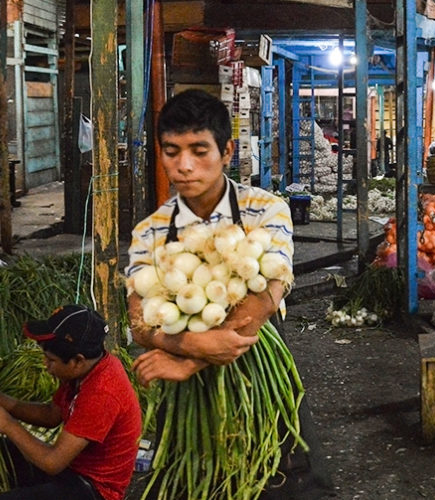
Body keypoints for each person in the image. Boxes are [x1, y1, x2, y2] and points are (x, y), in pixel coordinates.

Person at [125, 89, 331, 498]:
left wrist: (189, 361)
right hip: (184, 379)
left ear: (226, 151)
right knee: (195, 481)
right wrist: (194, 345)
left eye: (199, 150)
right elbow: (138, 322)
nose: (183, 166)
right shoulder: (150, 230)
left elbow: (264, 298)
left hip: (258, 364)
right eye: (172, 151)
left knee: (283, 481)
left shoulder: (265, 208)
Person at [0, 305, 142, 500]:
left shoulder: (102, 394)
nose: (45, 366)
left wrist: (8, 426)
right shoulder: (83, 371)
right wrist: (1, 399)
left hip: (93, 489)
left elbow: (52, 463)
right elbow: (52, 415)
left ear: (78, 361)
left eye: (50, 360)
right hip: (71, 469)